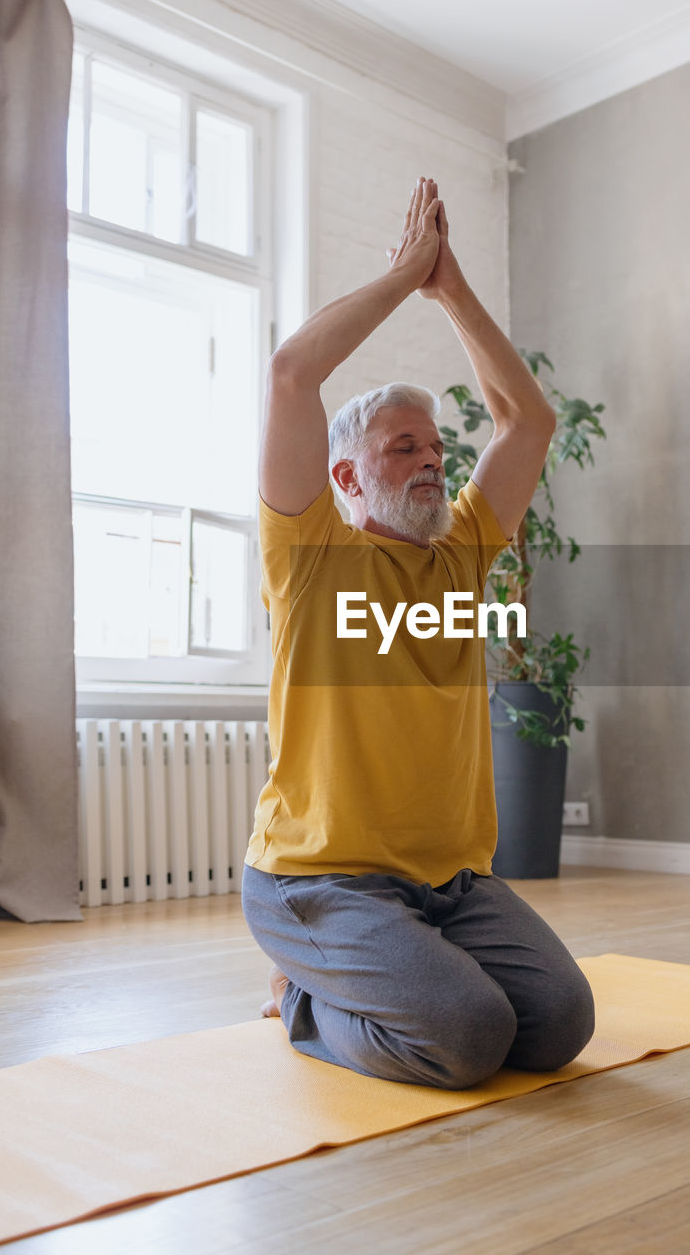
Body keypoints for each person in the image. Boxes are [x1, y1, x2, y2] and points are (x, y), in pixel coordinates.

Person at [241, 176, 595, 1089]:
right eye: (405, 449)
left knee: (556, 1023)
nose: (433, 464)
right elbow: (292, 374)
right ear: (346, 481)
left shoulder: (463, 552)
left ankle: (382, 973)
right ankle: (309, 995)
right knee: (469, 1037)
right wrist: (404, 274)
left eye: (436, 452)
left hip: (449, 887)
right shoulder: (309, 551)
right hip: (319, 883)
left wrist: (452, 290)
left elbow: (530, 420)